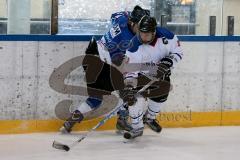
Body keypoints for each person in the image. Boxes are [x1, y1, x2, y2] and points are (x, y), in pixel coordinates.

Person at [60, 5, 150, 133]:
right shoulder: (127, 40)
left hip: (92, 56)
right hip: (102, 65)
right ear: (132, 22)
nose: (142, 30)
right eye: (140, 26)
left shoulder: (122, 18)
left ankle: (70, 122)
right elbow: (119, 64)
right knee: (127, 92)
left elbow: (115, 15)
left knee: (96, 98)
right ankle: (121, 122)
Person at [121, 15, 183, 139]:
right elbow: (130, 69)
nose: (143, 37)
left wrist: (168, 62)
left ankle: (149, 118)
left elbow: (179, 52)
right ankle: (137, 127)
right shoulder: (134, 45)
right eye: (141, 33)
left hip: (161, 73)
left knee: (161, 94)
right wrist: (128, 86)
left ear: (154, 32)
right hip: (141, 74)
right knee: (134, 98)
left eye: (147, 34)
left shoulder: (168, 36)